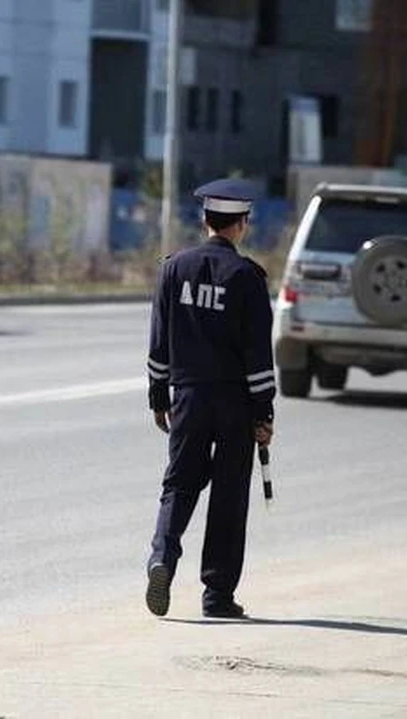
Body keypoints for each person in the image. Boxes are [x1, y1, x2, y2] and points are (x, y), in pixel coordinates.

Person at [144, 177, 275, 619]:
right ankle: (217, 596)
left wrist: (158, 395)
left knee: (178, 485)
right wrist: (264, 412)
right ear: (241, 225)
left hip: (189, 398)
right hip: (235, 404)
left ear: (205, 220)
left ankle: (162, 557)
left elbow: (159, 343)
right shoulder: (247, 278)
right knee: (228, 496)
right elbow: (259, 356)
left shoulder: (173, 269)